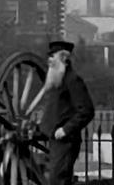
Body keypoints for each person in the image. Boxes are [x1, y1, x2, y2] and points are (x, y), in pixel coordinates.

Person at [38, 41, 95, 185]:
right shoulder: (56, 81)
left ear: (63, 58)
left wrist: (65, 129)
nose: (49, 60)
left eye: (53, 56)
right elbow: (55, 110)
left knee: (58, 180)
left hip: (66, 142)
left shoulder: (73, 80)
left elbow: (87, 111)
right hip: (54, 140)